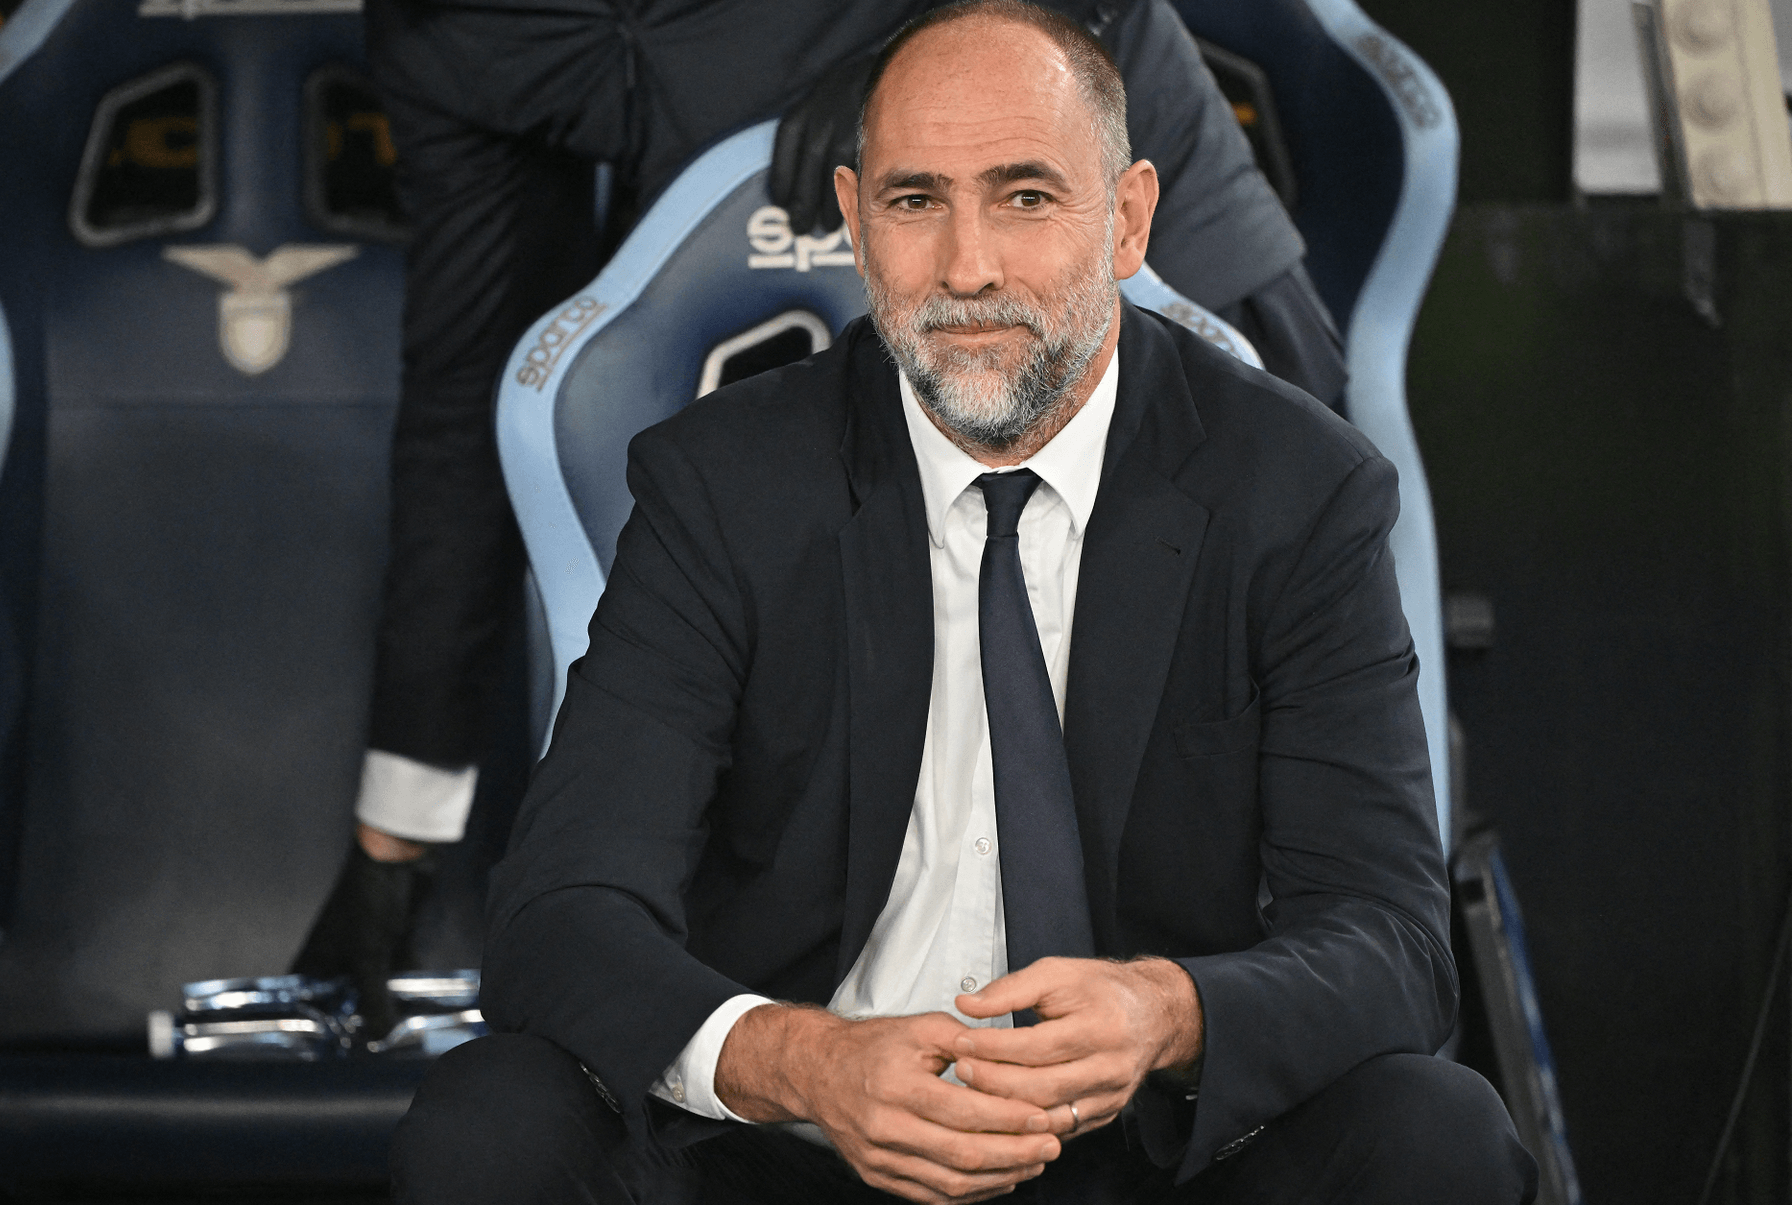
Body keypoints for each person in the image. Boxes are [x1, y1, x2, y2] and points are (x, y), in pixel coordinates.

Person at [390, 3, 1534, 1202]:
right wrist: (801, 1060)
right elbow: (560, 912)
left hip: (1147, 1153)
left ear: (1129, 217)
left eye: (1026, 197)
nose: (968, 267)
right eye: (915, 201)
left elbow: (1393, 940)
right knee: (489, 1123)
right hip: (805, 1142)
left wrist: (1168, 1009)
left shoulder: (1299, 489)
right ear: (853, 221)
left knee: (1435, 1131)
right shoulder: (721, 483)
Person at [297, 0, 1348, 1041]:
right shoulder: (448, 32)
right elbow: (483, 396)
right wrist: (400, 823)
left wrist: (920, 51)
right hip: (821, 348)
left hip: (1130, 244)